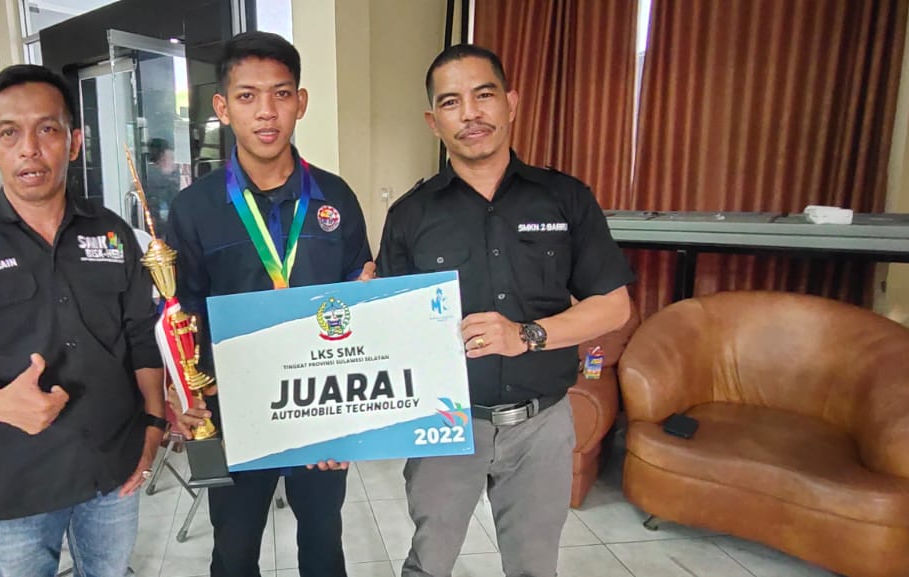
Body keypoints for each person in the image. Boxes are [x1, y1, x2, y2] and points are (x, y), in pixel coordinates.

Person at [375, 44, 634, 577]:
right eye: (451, 102)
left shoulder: (565, 198)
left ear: (511, 103)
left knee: (534, 567)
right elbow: (392, 331)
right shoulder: (410, 215)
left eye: (484, 94)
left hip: (542, 424)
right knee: (429, 562)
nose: (470, 113)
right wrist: (366, 306)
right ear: (433, 121)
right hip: (447, 423)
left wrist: (527, 335)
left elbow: (614, 307)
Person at [0, 64, 166, 577]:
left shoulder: (111, 233)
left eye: (47, 129)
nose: (29, 149)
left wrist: (154, 424)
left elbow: (140, 334)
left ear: (74, 142)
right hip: (16, 473)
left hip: (113, 461)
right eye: (9, 133)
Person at [167, 31, 375, 577]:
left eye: (281, 94)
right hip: (235, 412)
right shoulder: (194, 208)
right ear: (222, 107)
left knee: (324, 546)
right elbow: (181, 314)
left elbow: (358, 303)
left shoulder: (336, 198)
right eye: (247, 96)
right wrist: (183, 395)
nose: (266, 112)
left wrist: (349, 415)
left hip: (320, 406)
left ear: (300, 102)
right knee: (234, 552)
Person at [142, 137, 180, 226]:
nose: (175, 164)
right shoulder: (154, 185)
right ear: (161, 159)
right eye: (171, 158)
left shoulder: (170, 183)